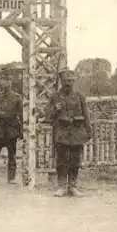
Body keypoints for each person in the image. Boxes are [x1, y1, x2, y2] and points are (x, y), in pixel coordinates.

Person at [46, 68, 92, 197]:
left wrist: (89, 131)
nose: (69, 83)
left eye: (71, 80)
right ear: (61, 81)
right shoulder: (55, 96)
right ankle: (61, 186)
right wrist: (55, 109)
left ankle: (73, 186)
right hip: (62, 132)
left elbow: (86, 114)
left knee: (75, 160)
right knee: (61, 160)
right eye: (66, 80)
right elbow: (47, 115)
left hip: (77, 132)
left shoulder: (79, 96)